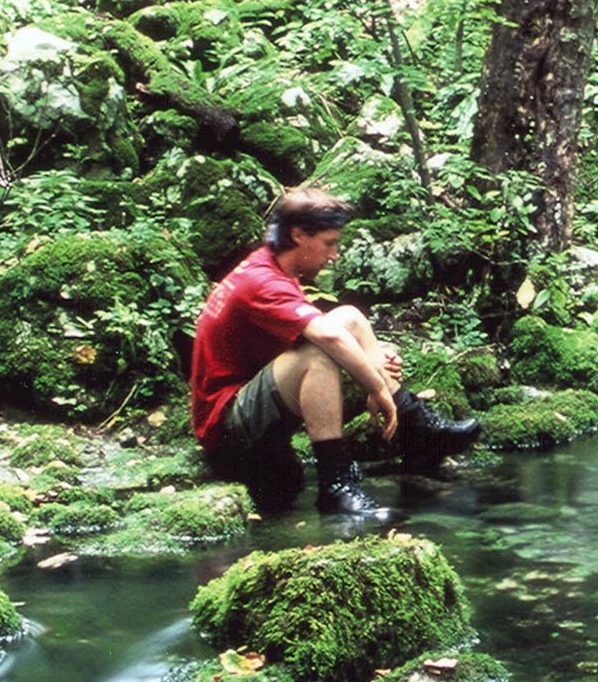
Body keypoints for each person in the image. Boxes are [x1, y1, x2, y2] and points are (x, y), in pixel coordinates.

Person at [189, 186, 481, 517]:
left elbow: (339, 329)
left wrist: (377, 360)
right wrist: (377, 387)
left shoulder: (273, 265)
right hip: (225, 434)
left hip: (248, 407)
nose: (334, 255)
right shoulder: (262, 282)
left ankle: (415, 426)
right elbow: (327, 338)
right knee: (320, 354)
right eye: (329, 243)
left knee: (350, 318)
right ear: (299, 236)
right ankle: (336, 485)